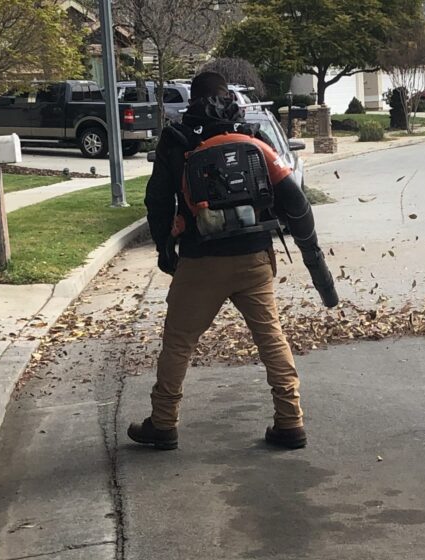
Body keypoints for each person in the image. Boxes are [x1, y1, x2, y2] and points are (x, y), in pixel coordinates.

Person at [127, 71, 336, 451]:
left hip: (201, 259)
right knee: (270, 337)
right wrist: (312, 256)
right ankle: (290, 421)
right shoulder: (250, 137)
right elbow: (296, 202)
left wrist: (165, 249)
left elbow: (158, 203)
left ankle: (163, 423)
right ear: (229, 98)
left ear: (193, 98)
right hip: (254, 257)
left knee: (179, 342)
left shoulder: (175, 140)